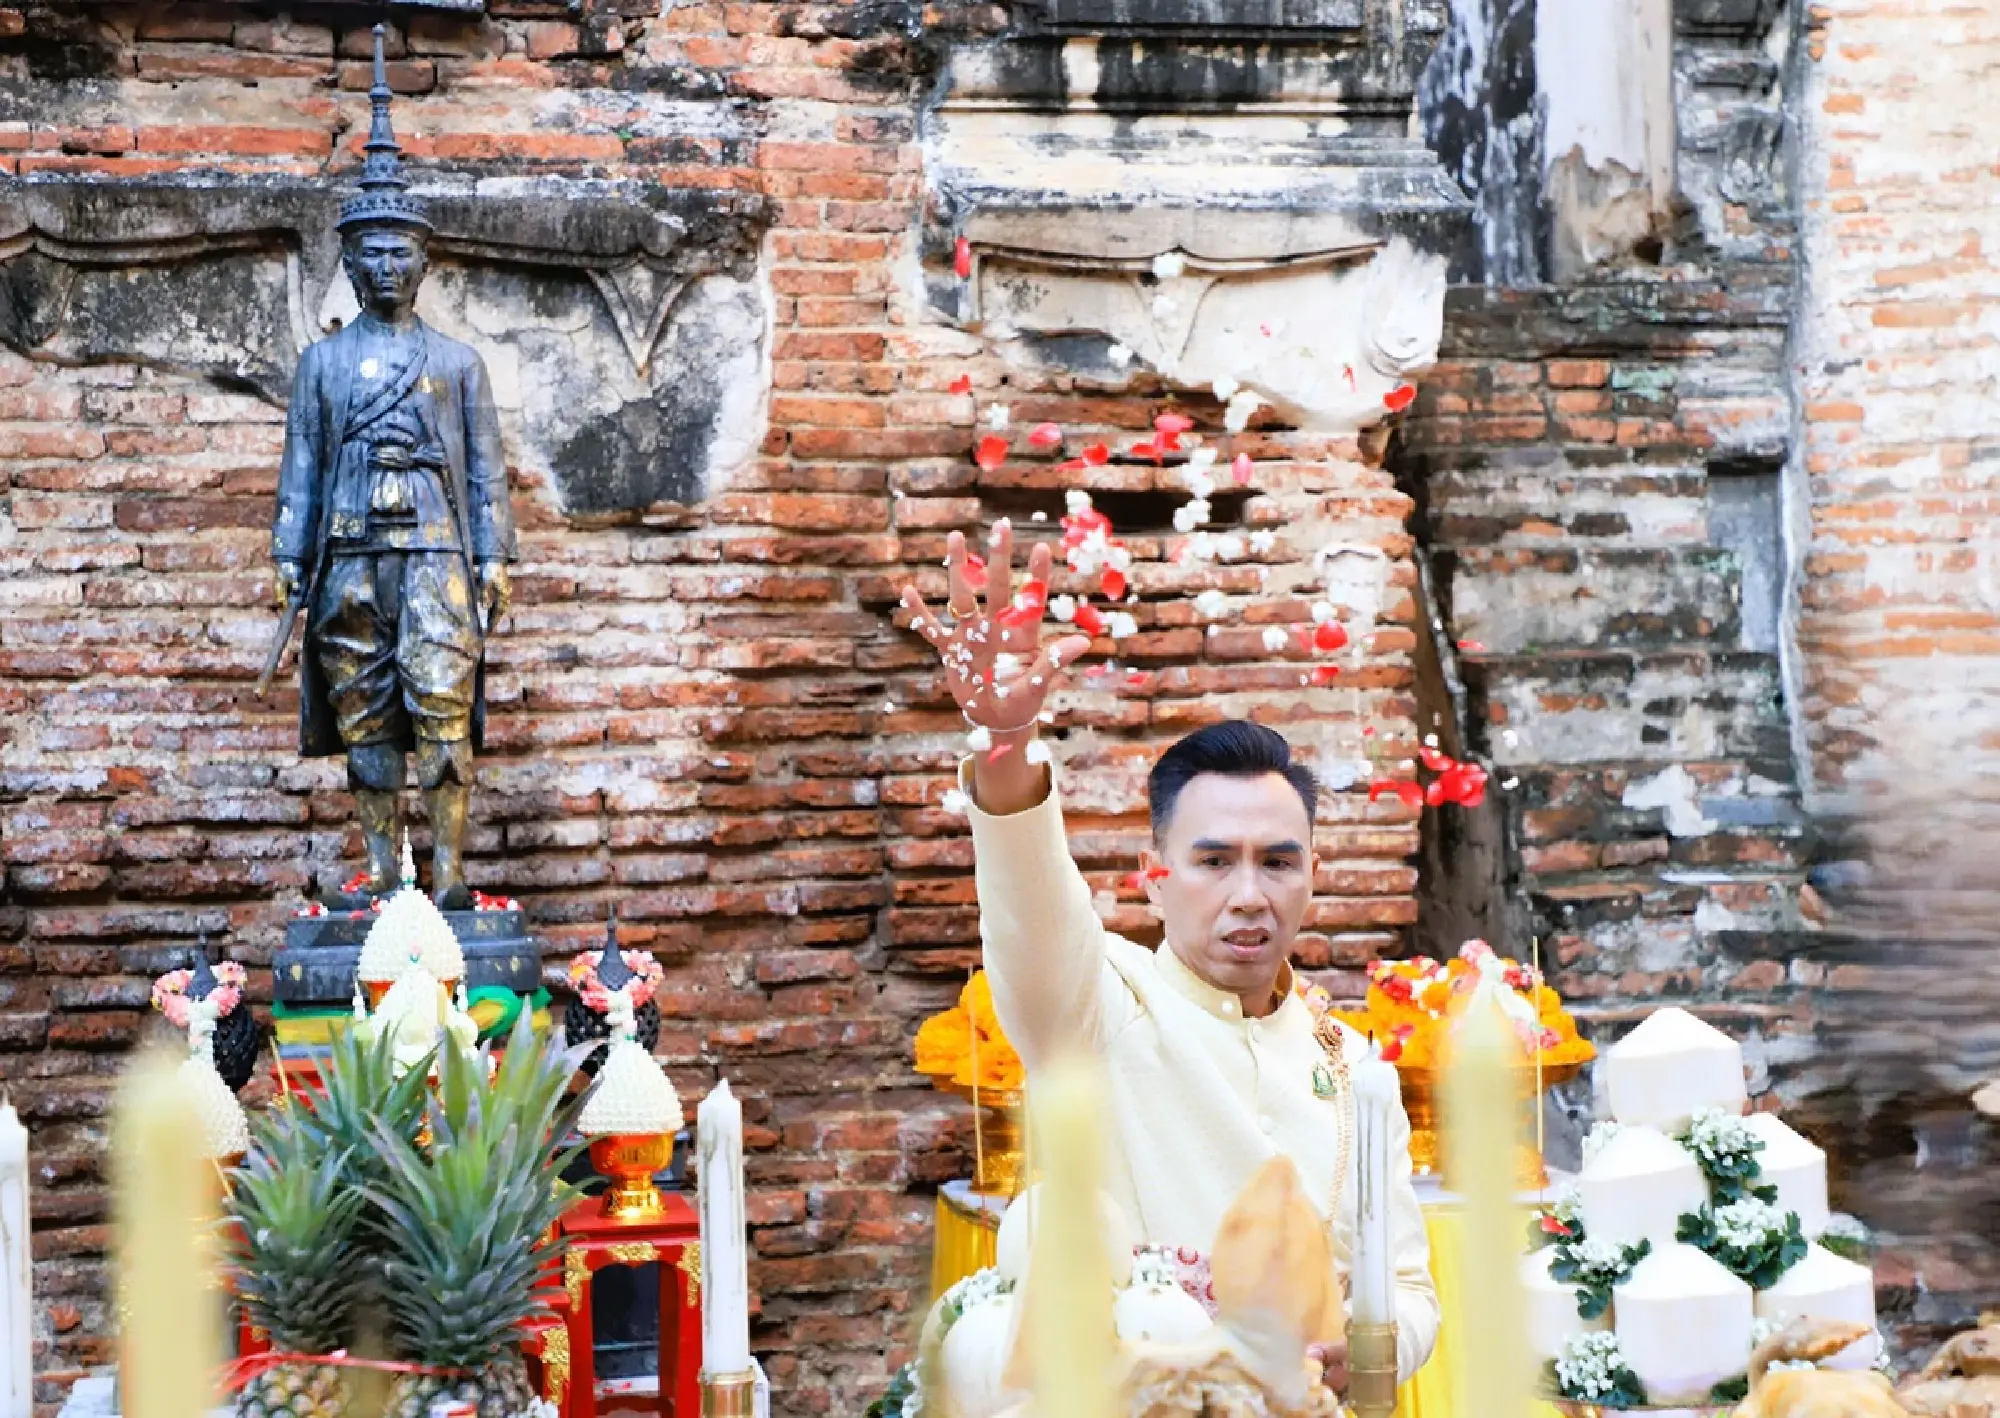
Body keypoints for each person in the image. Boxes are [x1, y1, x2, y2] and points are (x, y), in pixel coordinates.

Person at [901, 524, 1440, 1386]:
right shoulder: (1101, 1007)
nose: (1250, 894)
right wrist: (1007, 750)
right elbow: (1033, 914)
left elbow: (1409, 1284)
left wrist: (1369, 1349)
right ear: (1154, 879)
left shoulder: (1350, 1065)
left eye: (1278, 862)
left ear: (1312, 876)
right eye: (1214, 860)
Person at [270, 28, 514, 907]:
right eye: (369, 251)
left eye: (399, 251)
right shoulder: (322, 366)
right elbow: (301, 460)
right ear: (350, 260)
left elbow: (486, 468)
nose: (385, 265)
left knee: (443, 705)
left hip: (437, 553)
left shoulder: (456, 364)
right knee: (365, 710)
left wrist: (496, 557)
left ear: (424, 259)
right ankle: (381, 871)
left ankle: (447, 875)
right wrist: (288, 554)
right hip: (348, 556)